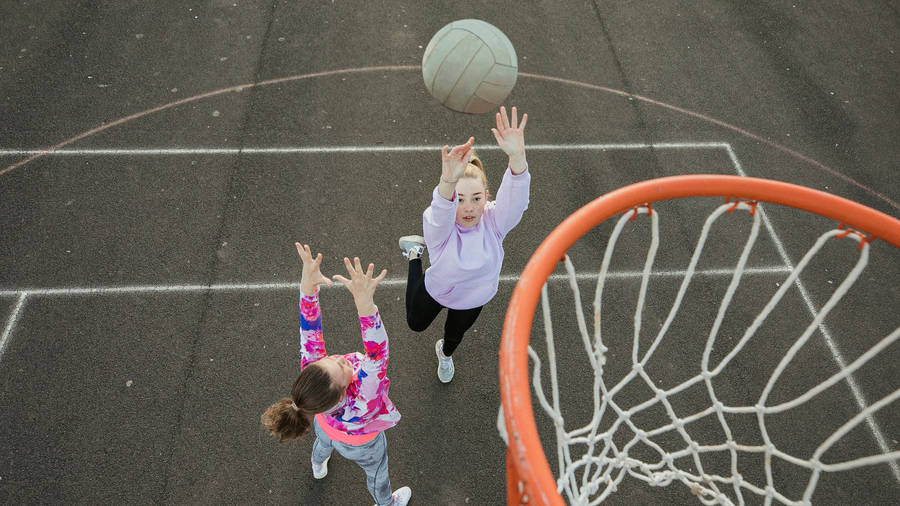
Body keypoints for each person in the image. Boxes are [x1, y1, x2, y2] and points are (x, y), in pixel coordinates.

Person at [261, 243, 411, 506]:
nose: (339, 358)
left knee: (324, 440)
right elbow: (377, 354)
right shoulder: (363, 398)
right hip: (362, 443)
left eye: (330, 359)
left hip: (327, 425)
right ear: (344, 391)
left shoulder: (313, 385)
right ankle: (386, 503)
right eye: (343, 369)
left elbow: (309, 329)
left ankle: (318, 463)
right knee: (376, 475)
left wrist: (308, 286)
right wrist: (365, 304)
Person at [399, 105, 530, 383]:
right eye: (459, 199)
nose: (468, 207)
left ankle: (444, 356)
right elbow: (440, 212)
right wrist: (448, 181)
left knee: (454, 335)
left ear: (486, 197)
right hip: (437, 289)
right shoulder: (441, 231)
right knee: (415, 323)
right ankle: (414, 254)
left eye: (475, 198)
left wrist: (517, 157)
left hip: (473, 298)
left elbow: (515, 202)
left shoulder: (494, 222)